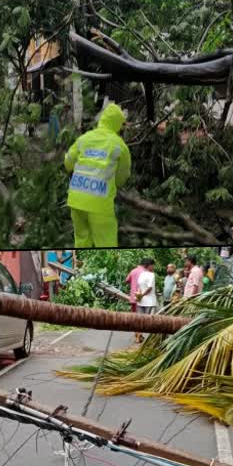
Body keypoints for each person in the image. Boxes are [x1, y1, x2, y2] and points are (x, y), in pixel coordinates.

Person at [64, 103, 132, 248]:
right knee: (106, 243)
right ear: (117, 124)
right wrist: (115, 185)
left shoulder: (84, 138)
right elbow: (122, 176)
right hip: (100, 203)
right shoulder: (120, 145)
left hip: (76, 200)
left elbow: (68, 162)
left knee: (82, 240)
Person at [134, 259, 157, 343]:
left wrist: (139, 296)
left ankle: (138, 336)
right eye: (153, 265)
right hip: (150, 301)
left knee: (140, 320)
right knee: (151, 321)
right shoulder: (151, 275)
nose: (153, 267)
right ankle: (152, 340)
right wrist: (142, 295)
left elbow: (139, 287)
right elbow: (150, 288)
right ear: (149, 265)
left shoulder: (141, 274)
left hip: (141, 301)